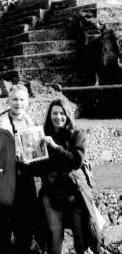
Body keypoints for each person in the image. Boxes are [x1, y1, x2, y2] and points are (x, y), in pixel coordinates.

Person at [0, 84, 38, 254]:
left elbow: (37, 159)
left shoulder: (32, 126)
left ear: (27, 102)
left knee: (25, 235)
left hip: (26, 188)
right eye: (14, 99)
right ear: (8, 101)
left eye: (21, 100)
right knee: (0, 238)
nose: (18, 103)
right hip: (4, 187)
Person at [38, 99, 101, 254]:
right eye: (55, 113)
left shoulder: (77, 135)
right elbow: (38, 168)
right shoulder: (42, 135)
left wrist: (54, 147)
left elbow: (76, 161)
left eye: (62, 113)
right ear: (49, 115)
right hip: (51, 192)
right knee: (54, 235)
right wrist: (25, 159)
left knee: (81, 236)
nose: (58, 117)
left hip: (74, 192)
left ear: (68, 115)